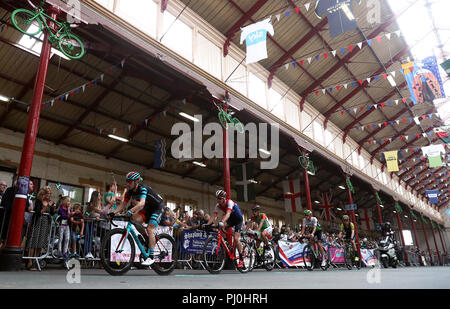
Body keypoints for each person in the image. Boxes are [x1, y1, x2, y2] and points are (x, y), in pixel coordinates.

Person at [113, 171, 164, 266]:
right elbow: (123, 205)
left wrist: (130, 211)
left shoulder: (143, 188)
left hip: (157, 207)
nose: (127, 183)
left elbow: (141, 204)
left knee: (150, 228)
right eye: (127, 181)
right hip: (147, 209)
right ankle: (146, 239)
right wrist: (113, 213)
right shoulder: (130, 192)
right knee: (135, 219)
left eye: (130, 181)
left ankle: (151, 257)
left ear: (136, 181)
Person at [205, 189, 246, 268]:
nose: (218, 200)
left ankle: (241, 258)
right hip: (231, 219)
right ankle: (227, 244)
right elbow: (214, 216)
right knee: (220, 228)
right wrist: (207, 224)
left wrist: (222, 221)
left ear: (224, 198)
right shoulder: (217, 205)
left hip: (238, 219)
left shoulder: (229, 202)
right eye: (217, 198)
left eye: (220, 198)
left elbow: (227, 214)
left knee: (236, 238)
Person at [26, 186, 56, 270]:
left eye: (50, 193)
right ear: (43, 193)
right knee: (33, 242)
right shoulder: (39, 201)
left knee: (40, 243)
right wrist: (46, 207)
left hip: (45, 224)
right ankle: (30, 261)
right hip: (37, 222)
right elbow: (38, 212)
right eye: (48, 193)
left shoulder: (49, 202)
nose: (49, 195)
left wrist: (53, 207)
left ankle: (36, 261)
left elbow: (52, 213)